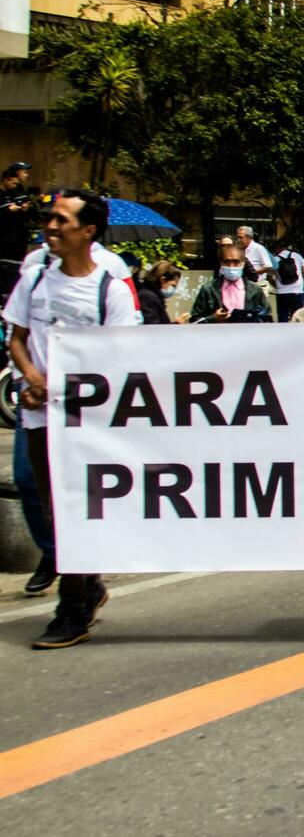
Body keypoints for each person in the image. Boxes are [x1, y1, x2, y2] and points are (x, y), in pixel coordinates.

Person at [5, 189, 140, 648]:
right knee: (49, 505)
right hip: (42, 418)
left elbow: (125, 358)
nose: (51, 227)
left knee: (74, 510)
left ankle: (73, 607)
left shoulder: (111, 290)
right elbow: (18, 338)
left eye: (62, 220)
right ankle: (88, 584)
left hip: (89, 424)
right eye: (50, 219)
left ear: (89, 231)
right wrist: (30, 377)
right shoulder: (34, 279)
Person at [190, 241, 271, 322]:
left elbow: (267, 319)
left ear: (243, 263)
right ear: (221, 263)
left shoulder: (255, 290)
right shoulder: (208, 290)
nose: (231, 266)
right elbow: (194, 320)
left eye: (236, 262)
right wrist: (213, 318)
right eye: (227, 262)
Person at [0, 163, 36, 299]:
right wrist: (8, 210)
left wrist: (24, 209)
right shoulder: (5, 193)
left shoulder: (16, 192)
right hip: (5, 237)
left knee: (14, 266)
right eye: (24, 172)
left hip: (16, 235)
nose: (26, 175)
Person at [271, 240, 304, 323]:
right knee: (297, 316)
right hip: (297, 291)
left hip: (282, 293)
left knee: (282, 317)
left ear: (278, 249)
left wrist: (276, 285)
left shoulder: (275, 259)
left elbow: (269, 276)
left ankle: (283, 334)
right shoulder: (297, 256)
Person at [137, 260, 184, 325]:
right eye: (172, 285)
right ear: (163, 280)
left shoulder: (153, 296)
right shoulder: (147, 297)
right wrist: (176, 323)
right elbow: (153, 326)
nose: (173, 289)